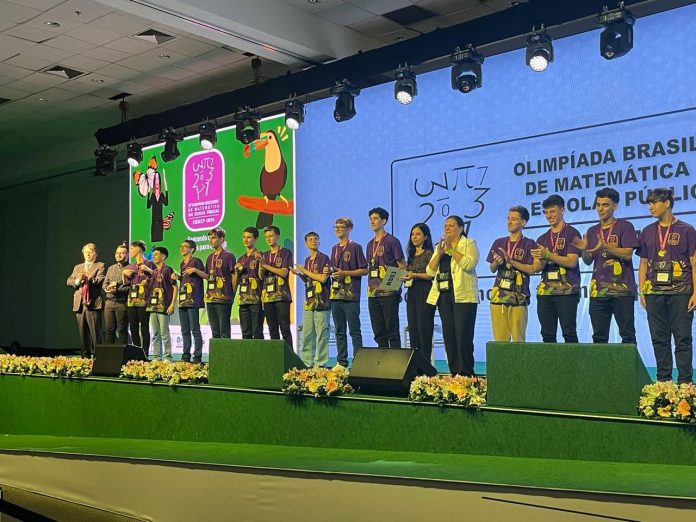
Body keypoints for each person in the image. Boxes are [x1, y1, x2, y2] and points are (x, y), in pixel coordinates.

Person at [638, 188, 696, 384]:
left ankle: (686, 383)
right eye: (649, 203)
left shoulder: (687, 230)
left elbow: (694, 262)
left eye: (654, 202)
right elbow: (643, 263)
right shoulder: (647, 231)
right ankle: (663, 383)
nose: (650, 207)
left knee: (682, 338)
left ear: (667, 203)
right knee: (659, 338)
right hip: (654, 292)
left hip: (682, 292)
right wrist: (642, 290)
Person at [573, 188, 638, 344]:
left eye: (605, 205)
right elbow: (588, 261)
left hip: (622, 290)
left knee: (627, 335)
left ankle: (629, 361)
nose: (600, 209)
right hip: (598, 291)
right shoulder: (592, 230)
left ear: (615, 206)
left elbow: (628, 254)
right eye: (598, 205)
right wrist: (584, 250)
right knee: (599, 337)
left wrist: (606, 246)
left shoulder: (625, 226)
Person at [426, 216, 479, 376]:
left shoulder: (469, 243)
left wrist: (451, 250)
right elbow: (430, 271)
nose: (447, 228)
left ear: (461, 228)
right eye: (445, 226)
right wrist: (440, 253)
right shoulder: (440, 246)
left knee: (463, 336)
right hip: (444, 296)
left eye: (451, 225)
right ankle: (454, 373)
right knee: (449, 336)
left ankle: (466, 374)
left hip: (463, 297)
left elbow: (470, 264)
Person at [531, 195, 581, 343]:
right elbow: (537, 267)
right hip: (545, 292)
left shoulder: (572, 233)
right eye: (546, 212)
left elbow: (572, 262)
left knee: (569, 333)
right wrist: (539, 260)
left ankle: (573, 360)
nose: (549, 216)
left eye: (552, 211)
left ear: (562, 210)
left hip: (567, 291)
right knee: (547, 335)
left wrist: (548, 255)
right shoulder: (542, 239)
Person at [487, 206, 540, 342]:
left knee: (518, 340)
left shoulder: (529, 244)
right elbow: (492, 268)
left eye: (514, 219)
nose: (509, 222)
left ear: (523, 222)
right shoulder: (499, 242)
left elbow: (533, 269)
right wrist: (497, 262)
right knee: (500, 341)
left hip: (519, 296)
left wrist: (512, 262)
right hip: (499, 296)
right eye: (508, 218)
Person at [329, 217, 368, 368]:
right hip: (335, 295)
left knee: (354, 330)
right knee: (339, 331)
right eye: (336, 227)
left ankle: (358, 362)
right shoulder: (334, 248)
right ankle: (341, 362)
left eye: (341, 227)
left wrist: (345, 273)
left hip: (351, 295)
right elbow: (336, 269)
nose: (338, 229)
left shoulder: (355, 247)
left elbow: (365, 270)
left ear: (349, 229)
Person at [366, 207, 406, 347]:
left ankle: (395, 358)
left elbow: (402, 266)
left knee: (391, 329)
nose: (372, 221)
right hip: (372, 293)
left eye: (375, 218)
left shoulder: (392, 241)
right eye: (371, 219)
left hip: (388, 293)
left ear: (384, 221)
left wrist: (391, 287)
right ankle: (382, 357)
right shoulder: (370, 244)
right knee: (378, 331)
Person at [291, 232, 331, 367]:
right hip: (309, 302)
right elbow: (310, 280)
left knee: (322, 334)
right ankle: (306, 363)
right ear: (306, 243)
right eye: (310, 239)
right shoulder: (308, 260)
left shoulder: (324, 258)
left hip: (322, 301)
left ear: (319, 242)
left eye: (315, 239)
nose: (313, 241)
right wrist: (299, 274)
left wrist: (304, 271)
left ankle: (320, 364)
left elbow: (322, 279)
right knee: (307, 333)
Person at [402, 223, 435, 359]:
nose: (414, 237)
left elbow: (432, 275)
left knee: (424, 328)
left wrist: (414, 275)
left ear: (425, 237)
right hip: (412, 292)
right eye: (412, 234)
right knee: (413, 328)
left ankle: (425, 363)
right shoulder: (411, 254)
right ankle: (415, 362)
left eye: (418, 234)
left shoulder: (429, 253)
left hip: (425, 291)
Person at [67, 243, 105, 358]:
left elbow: (100, 280)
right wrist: (78, 281)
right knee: (82, 333)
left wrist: (87, 279)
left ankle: (100, 357)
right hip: (79, 304)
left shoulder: (100, 265)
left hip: (93, 303)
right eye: (86, 252)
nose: (88, 254)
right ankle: (85, 357)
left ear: (96, 254)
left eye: (91, 252)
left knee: (95, 333)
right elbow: (69, 281)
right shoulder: (77, 267)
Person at [260, 226, 294, 346]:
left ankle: (289, 354)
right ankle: (276, 355)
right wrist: (261, 266)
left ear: (278, 236)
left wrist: (265, 265)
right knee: (272, 329)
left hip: (281, 296)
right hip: (268, 297)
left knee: (285, 328)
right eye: (266, 237)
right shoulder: (264, 254)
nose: (268, 239)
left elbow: (284, 272)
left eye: (271, 236)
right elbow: (260, 276)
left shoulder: (285, 252)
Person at [175, 240, 206, 363]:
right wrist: (177, 277)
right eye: (180, 246)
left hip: (193, 300)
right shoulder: (182, 263)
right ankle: (185, 356)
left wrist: (195, 270)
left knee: (195, 329)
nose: (181, 248)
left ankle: (197, 356)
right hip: (183, 300)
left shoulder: (196, 261)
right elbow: (185, 279)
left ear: (192, 249)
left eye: (185, 246)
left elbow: (206, 276)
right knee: (184, 330)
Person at [123, 241, 156, 355]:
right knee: (133, 327)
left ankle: (145, 353)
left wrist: (148, 270)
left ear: (138, 250)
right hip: (132, 301)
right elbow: (126, 283)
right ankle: (136, 352)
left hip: (144, 300)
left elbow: (157, 278)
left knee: (144, 327)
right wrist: (124, 274)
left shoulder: (150, 263)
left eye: (132, 249)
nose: (130, 251)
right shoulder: (131, 266)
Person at [205, 227, 236, 339]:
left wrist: (232, 293)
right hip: (210, 299)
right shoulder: (209, 257)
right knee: (215, 332)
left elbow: (234, 276)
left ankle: (226, 351)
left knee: (224, 331)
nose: (211, 240)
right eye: (210, 238)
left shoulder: (228, 255)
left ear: (221, 239)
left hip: (224, 299)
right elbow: (208, 276)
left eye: (214, 238)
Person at [235, 227, 265, 340]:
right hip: (243, 300)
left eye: (249, 237)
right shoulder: (241, 259)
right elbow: (236, 281)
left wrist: (261, 263)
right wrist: (237, 271)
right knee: (245, 333)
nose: (245, 240)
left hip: (256, 300)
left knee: (257, 332)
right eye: (244, 237)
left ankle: (259, 352)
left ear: (255, 239)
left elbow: (261, 277)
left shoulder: (260, 255)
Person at [147, 246, 177, 361]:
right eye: (153, 254)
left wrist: (172, 304)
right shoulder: (154, 272)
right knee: (155, 334)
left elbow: (175, 287)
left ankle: (167, 357)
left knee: (164, 333)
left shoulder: (168, 269)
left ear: (163, 256)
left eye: (156, 254)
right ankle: (156, 357)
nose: (153, 256)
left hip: (164, 306)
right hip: (153, 306)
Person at [102, 243, 130, 344]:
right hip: (109, 303)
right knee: (109, 330)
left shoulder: (131, 268)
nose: (119, 255)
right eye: (117, 253)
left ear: (127, 255)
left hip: (122, 303)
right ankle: (109, 352)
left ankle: (123, 352)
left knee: (122, 330)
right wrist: (107, 289)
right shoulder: (111, 268)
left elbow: (130, 287)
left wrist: (117, 289)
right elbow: (105, 284)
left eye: (122, 253)